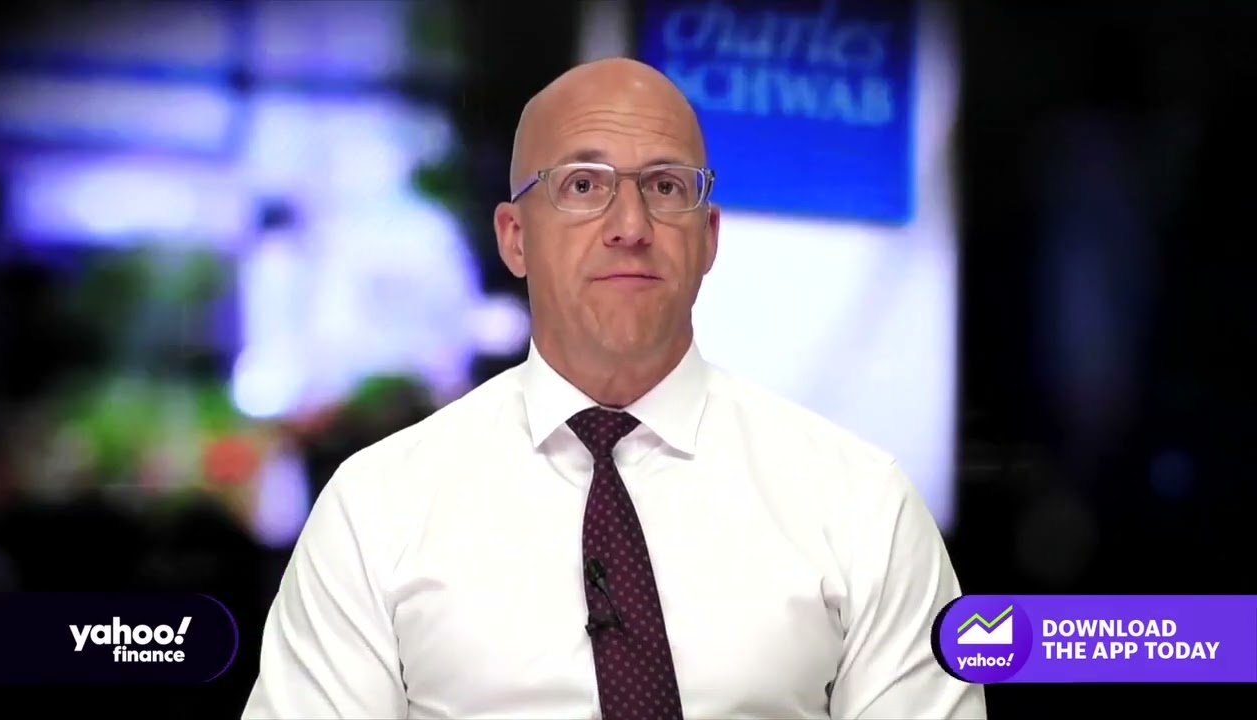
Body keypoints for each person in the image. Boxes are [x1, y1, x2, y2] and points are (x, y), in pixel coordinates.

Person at [243, 58, 986, 720]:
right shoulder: (374, 510)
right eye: (583, 185)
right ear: (515, 237)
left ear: (708, 237)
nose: (630, 225)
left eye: (665, 187)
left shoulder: (863, 505)